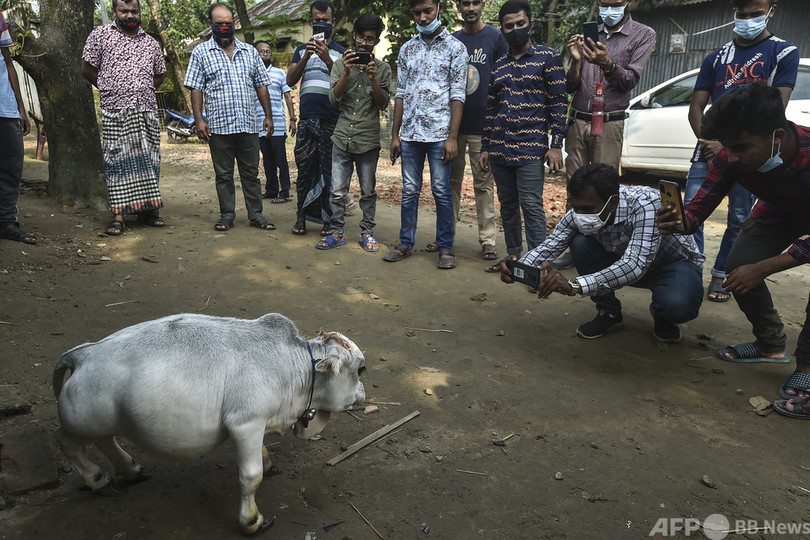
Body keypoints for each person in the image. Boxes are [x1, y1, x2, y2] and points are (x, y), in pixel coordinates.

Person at [655, 83, 810, 419]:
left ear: (777, 137)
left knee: (754, 269)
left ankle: (809, 367)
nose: (732, 157)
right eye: (728, 148)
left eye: (740, 148)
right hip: (779, 211)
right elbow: (700, 206)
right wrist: (680, 221)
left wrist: (767, 266)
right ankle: (770, 344)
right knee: (738, 265)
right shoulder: (730, 155)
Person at [501, 162, 703, 342]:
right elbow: (551, 245)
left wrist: (573, 286)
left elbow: (634, 265)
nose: (579, 215)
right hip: (626, 262)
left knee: (676, 304)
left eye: (587, 209)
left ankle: (664, 316)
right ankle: (609, 312)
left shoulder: (647, 204)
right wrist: (520, 266)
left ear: (613, 202)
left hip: (673, 266)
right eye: (575, 207)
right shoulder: (581, 209)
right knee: (580, 244)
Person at [684, 0, 797, 303]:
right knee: (691, 210)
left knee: (739, 215)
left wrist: (730, 146)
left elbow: (776, 107)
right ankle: (690, 271)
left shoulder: (784, 52)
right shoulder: (716, 57)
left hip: (751, 154)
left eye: (755, 14)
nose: (747, 20)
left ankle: (721, 274)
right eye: (741, 14)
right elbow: (696, 106)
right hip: (708, 151)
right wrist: (710, 142)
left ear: (771, 11)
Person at [555, 0, 654, 270]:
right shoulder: (591, 33)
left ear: (628, 3)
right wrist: (576, 63)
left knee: (606, 191)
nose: (608, 9)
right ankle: (574, 247)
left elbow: (630, 81)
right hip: (578, 119)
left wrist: (607, 63)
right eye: (603, 4)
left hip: (609, 122)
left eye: (615, 4)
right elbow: (570, 85)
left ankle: (604, 249)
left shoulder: (643, 34)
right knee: (574, 186)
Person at [479, 0, 567, 277]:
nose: (515, 29)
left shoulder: (549, 58)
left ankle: (537, 266)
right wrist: (485, 146)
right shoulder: (499, 65)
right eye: (509, 26)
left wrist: (556, 146)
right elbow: (491, 109)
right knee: (507, 204)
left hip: (531, 147)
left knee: (531, 204)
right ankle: (514, 256)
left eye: (520, 24)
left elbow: (558, 104)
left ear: (530, 23)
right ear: (503, 30)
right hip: (500, 148)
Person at [383, 0, 467, 269]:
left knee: (441, 191)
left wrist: (452, 137)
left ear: (439, 8)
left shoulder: (456, 48)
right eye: (416, 13)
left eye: (427, 11)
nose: (421, 17)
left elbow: (458, 95)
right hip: (410, 135)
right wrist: (395, 135)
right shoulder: (407, 49)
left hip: (441, 134)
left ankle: (445, 247)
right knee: (410, 190)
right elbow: (401, 94)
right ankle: (405, 243)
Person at [184, 3, 276, 232]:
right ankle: (227, 215)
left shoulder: (250, 52)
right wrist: (199, 120)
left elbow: (261, 86)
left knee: (251, 174)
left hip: (247, 125)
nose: (224, 28)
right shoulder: (200, 52)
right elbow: (196, 88)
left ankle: (256, 215)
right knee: (223, 175)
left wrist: (268, 116)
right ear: (210, 25)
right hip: (219, 127)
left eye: (227, 24)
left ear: (234, 24)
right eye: (219, 24)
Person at [81, 0, 167, 237]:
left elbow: (160, 74)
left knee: (148, 160)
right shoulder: (100, 36)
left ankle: (148, 212)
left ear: (140, 12)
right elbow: (87, 68)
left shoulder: (151, 43)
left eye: (134, 11)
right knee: (117, 160)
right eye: (124, 11)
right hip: (115, 109)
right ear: (115, 12)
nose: (130, 15)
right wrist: (108, 86)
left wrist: (144, 88)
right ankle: (118, 216)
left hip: (146, 109)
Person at [317, 14, 392, 252]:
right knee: (337, 191)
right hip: (342, 138)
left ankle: (367, 233)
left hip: (368, 140)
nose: (363, 43)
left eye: (370, 39)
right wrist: (347, 73)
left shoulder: (382, 69)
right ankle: (337, 232)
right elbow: (333, 99)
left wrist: (373, 80)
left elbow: (382, 104)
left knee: (368, 192)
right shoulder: (340, 64)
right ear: (354, 36)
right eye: (361, 37)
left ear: (376, 41)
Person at [446, 0, 507, 262]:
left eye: (475, 2)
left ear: (483, 5)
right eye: (465, 3)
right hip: (455, 127)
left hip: (485, 129)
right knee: (451, 184)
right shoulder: (452, 40)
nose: (470, 7)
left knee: (484, 185)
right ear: (458, 7)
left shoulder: (496, 37)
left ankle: (488, 240)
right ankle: (446, 237)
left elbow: (505, 80)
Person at [287, 0, 347, 236]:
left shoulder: (342, 52)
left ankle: (327, 220)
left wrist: (327, 59)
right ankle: (301, 218)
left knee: (329, 173)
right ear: (311, 21)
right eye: (317, 20)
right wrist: (307, 56)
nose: (321, 23)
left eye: (325, 20)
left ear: (333, 22)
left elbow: (345, 84)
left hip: (332, 119)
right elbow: (290, 80)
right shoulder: (302, 49)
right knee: (304, 170)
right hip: (307, 120)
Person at [0, 10, 34, 245]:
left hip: (5, 107)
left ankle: (6, 222)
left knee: (12, 166)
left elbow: (8, 62)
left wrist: (20, 108)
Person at [254, 41, 296, 204]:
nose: (265, 54)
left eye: (268, 52)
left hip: (277, 125)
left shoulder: (279, 73)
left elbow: (287, 96)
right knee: (267, 159)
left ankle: (284, 191)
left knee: (280, 159)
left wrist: (293, 120)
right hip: (259, 126)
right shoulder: (252, 75)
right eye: (262, 52)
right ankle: (271, 190)